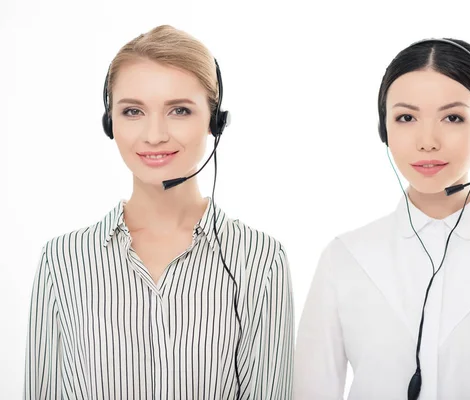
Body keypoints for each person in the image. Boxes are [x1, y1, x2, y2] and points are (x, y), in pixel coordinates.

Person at [24, 25, 294, 400]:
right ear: (109, 122)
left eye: (179, 110)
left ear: (216, 121)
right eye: (133, 111)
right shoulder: (62, 260)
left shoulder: (261, 259)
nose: (154, 135)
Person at [293, 38, 470, 400]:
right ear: (384, 130)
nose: (427, 141)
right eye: (406, 117)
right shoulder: (344, 258)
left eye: (453, 117)